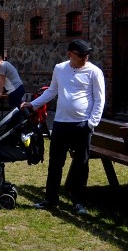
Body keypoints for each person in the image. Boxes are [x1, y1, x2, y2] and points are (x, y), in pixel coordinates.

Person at [22, 39, 105, 216]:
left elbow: (99, 99)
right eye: (81, 55)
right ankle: (51, 199)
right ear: (70, 54)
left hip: (82, 124)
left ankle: (78, 201)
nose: (85, 58)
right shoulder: (60, 68)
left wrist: (91, 123)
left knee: (81, 164)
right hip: (61, 123)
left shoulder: (94, 72)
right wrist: (33, 105)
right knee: (55, 162)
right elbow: (52, 90)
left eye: (87, 55)